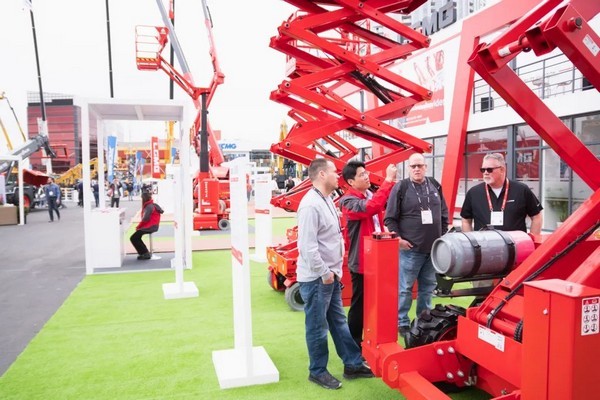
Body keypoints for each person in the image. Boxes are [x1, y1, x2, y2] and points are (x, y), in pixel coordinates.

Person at [297, 158, 373, 390]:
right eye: (334, 171)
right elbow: (307, 247)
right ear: (322, 174)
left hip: (329, 276)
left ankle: (353, 363)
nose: (338, 175)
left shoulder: (327, 199)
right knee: (318, 327)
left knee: (338, 322)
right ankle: (317, 371)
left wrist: (334, 272)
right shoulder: (311, 205)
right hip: (318, 278)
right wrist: (325, 273)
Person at [384, 153, 449, 338]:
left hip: (433, 249)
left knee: (427, 289)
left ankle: (423, 320)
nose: (417, 169)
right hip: (410, 250)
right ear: (409, 168)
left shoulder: (434, 184)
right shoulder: (401, 187)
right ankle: (402, 322)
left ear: (425, 167)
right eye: (413, 166)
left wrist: (442, 233)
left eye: (420, 165)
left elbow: (443, 212)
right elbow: (389, 217)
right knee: (405, 288)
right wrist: (398, 239)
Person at [339, 161, 397, 349]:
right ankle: (354, 345)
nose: (366, 176)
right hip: (362, 262)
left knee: (377, 303)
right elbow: (371, 207)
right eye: (362, 174)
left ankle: (374, 340)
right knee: (360, 305)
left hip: (378, 259)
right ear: (351, 181)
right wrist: (388, 180)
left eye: (366, 173)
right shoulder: (348, 202)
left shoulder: (369, 195)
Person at [461, 152, 543, 234]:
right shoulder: (473, 193)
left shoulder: (521, 190)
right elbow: (466, 220)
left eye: (489, 169)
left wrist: (532, 239)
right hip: (484, 242)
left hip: (514, 242)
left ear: (502, 170)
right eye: (483, 170)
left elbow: (537, 217)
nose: (485, 173)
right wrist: (470, 240)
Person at [130, 189, 164, 260]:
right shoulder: (153, 205)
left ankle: (145, 253)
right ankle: (144, 253)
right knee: (136, 237)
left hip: (150, 226)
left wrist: (138, 227)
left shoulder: (148, 206)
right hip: (153, 226)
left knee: (133, 238)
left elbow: (145, 219)